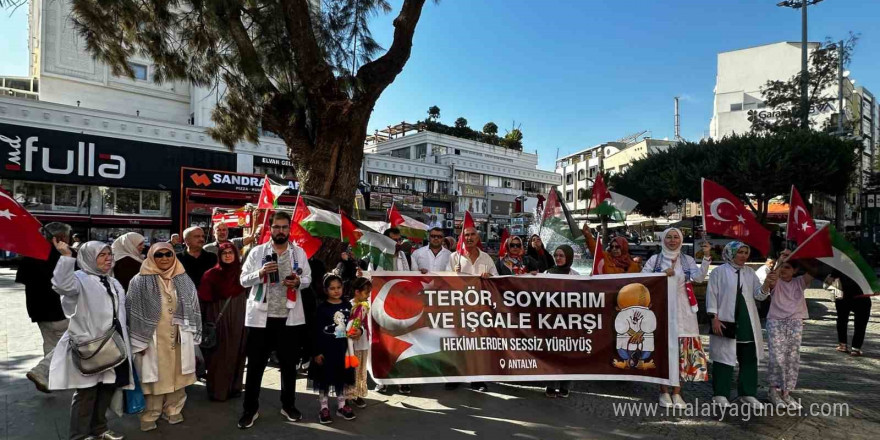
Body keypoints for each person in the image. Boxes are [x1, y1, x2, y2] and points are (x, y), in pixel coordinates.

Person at [50, 240, 133, 440]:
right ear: (88, 258)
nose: (108, 258)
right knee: (86, 393)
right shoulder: (79, 278)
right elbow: (61, 285)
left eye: (109, 254)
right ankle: (79, 435)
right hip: (90, 347)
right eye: (102, 255)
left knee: (107, 388)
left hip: (114, 345)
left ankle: (100, 429)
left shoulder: (111, 281)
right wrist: (65, 258)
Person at [238, 211, 314, 429]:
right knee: (255, 368)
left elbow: (308, 278)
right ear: (270, 229)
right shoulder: (257, 252)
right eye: (277, 227)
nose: (281, 231)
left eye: (284, 227)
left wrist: (299, 282)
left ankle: (288, 405)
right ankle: (249, 410)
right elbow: (243, 280)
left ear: (289, 229)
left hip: (289, 319)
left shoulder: (298, 253)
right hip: (260, 320)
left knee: (289, 367)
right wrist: (260, 273)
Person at [126, 243, 202, 432]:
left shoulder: (183, 278)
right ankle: (150, 414)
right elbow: (131, 311)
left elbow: (193, 306)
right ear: (151, 257)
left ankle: (173, 409)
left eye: (168, 254)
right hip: (152, 338)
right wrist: (138, 340)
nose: (164, 258)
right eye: (159, 255)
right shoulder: (139, 281)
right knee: (154, 378)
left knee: (179, 375)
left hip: (179, 337)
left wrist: (191, 331)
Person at [642, 227, 712, 409]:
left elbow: (698, 278)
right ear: (663, 240)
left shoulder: (687, 260)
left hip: (683, 310)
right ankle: (664, 391)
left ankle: (677, 392)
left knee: (680, 350)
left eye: (676, 237)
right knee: (665, 349)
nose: (672, 241)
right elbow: (643, 281)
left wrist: (705, 257)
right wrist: (661, 275)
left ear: (680, 240)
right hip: (662, 308)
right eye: (669, 237)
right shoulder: (655, 260)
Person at [706, 241, 774, 409]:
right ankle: (720, 394)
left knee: (749, 356)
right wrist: (714, 317)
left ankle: (747, 393)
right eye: (740, 252)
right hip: (724, 320)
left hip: (747, 321)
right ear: (731, 253)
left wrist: (766, 284)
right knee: (723, 358)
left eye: (746, 252)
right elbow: (712, 295)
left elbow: (759, 296)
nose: (744, 256)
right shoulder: (718, 272)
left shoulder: (750, 272)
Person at [15, 222, 71, 394]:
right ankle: (42, 371)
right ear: (60, 238)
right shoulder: (61, 256)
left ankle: (52, 379)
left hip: (38, 309)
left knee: (51, 343)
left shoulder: (30, 256)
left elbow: (23, 278)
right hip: (59, 309)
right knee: (68, 343)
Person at [446, 226, 497, 392]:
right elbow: (444, 281)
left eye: (472, 234)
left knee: (478, 346)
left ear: (478, 237)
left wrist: (489, 278)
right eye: (466, 235)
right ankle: (455, 377)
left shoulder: (487, 258)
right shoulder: (454, 258)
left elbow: (497, 280)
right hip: (459, 309)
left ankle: (478, 380)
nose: (469, 238)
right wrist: (454, 274)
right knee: (457, 344)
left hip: (480, 311)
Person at [197, 242, 249, 402]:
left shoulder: (243, 274)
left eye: (230, 252)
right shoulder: (210, 275)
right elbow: (203, 300)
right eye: (224, 252)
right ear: (219, 256)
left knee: (237, 353)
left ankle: (234, 388)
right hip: (218, 319)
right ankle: (218, 391)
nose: (227, 255)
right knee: (218, 356)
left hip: (239, 318)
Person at [766, 251, 811, 409]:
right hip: (775, 321)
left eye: (788, 268)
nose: (784, 270)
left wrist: (799, 255)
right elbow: (772, 278)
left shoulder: (799, 282)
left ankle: (786, 392)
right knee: (776, 357)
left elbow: (813, 271)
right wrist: (780, 260)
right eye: (782, 268)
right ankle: (773, 391)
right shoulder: (776, 281)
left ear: (795, 270)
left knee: (792, 358)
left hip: (795, 322)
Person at [310, 274, 357, 424]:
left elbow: (354, 324)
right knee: (324, 380)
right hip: (326, 351)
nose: (336, 291)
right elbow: (315, 331)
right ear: (326, 290)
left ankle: (342, 406)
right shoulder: (322, 308)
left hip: (343, 351)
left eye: (339, 287)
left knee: (341, 379)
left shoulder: (348, 306)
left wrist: (358, 330)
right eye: (332, 288)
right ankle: (324, 407)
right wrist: (316, 352)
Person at [344, 278, 372, 409]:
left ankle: (357, 394)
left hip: (362, 341)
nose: (368, 295)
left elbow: (365, 324)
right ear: (357, 292)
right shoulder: (349, 306)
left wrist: (361, 331)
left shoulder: (364, 306)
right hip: (351, 345)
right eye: (366, 293)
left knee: (360, 369)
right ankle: (347, 396)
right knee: (351, 370)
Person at [830, 271, 872, 357]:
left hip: (843, 297)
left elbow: (829, 281)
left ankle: (843, 345)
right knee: (860, 324)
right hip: (862, 297)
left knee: (842, 320)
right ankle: (855, 349)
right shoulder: (863, 264)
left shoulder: (840, 264)